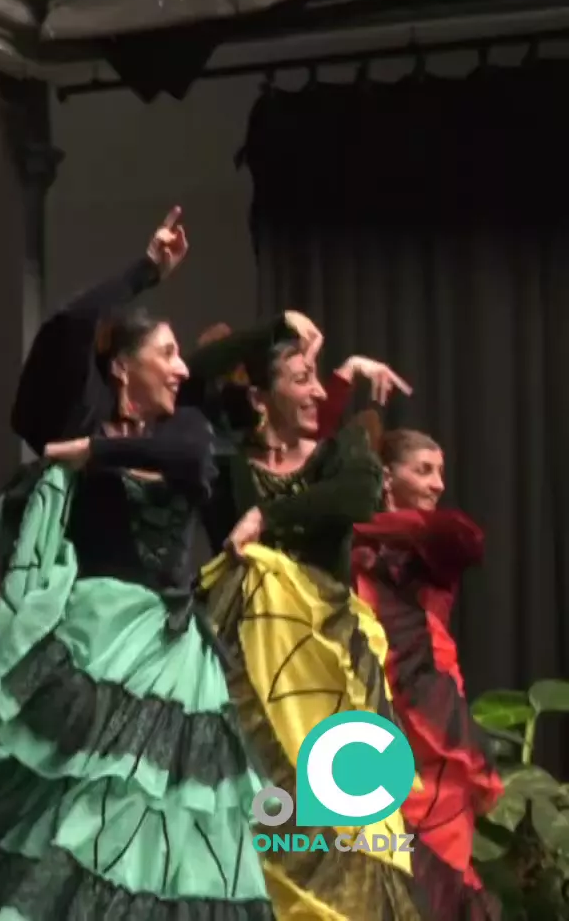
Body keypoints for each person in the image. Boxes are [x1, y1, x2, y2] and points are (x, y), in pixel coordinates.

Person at [0, 209, 275, 920]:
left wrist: (95, 454)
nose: (182, 368)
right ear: (122, 365)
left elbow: (191, 458)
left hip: (170, 653)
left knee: (172, 825)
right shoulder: (79, 414)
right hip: (91, 641)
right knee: (79, 814)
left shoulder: (184, 428)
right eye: (168, 353)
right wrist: (143, 271)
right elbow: (69, 326)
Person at [190, 318, 424, 918]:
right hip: (250, 678)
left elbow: (356, 498)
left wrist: (264, 520)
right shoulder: (226, 462)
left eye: (318, 379)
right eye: (302, 379)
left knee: (350, 827)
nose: (320, 391)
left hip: (330, 667)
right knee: (267, 821)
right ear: (258, 399)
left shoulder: (339, 455)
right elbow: (192, 385)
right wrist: (271, 330)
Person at [343, 421, 501, 919]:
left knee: (442, 845)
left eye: (440, 473)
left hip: (431, 700)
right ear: (388, 477)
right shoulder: (348, 545)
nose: (438, 484)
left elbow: (467, 537)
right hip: (370, 692)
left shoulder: (435, 539)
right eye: (424, 471)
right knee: (370, 847)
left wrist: (354, 525)